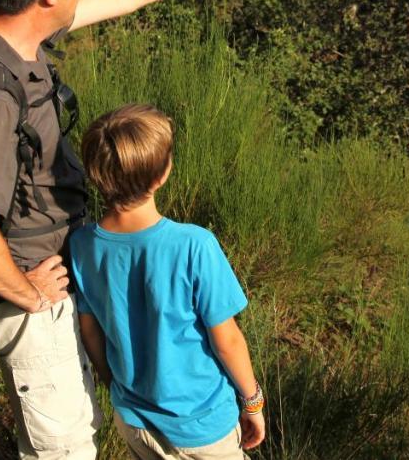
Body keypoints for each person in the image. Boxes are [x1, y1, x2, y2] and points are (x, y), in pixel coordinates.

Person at [0, 0, 260, 460]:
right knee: (63, 449)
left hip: (54, 278)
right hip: (26, 293)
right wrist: (29, 293)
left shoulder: (5, 31)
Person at [71, 104, 265, 460]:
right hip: (205, 425)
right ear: (162, 175)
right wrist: (253, 402)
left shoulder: (82, 245)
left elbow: (91, 332)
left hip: (134, 421)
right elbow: (228, 341)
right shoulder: (194, 245)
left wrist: (115, 387)